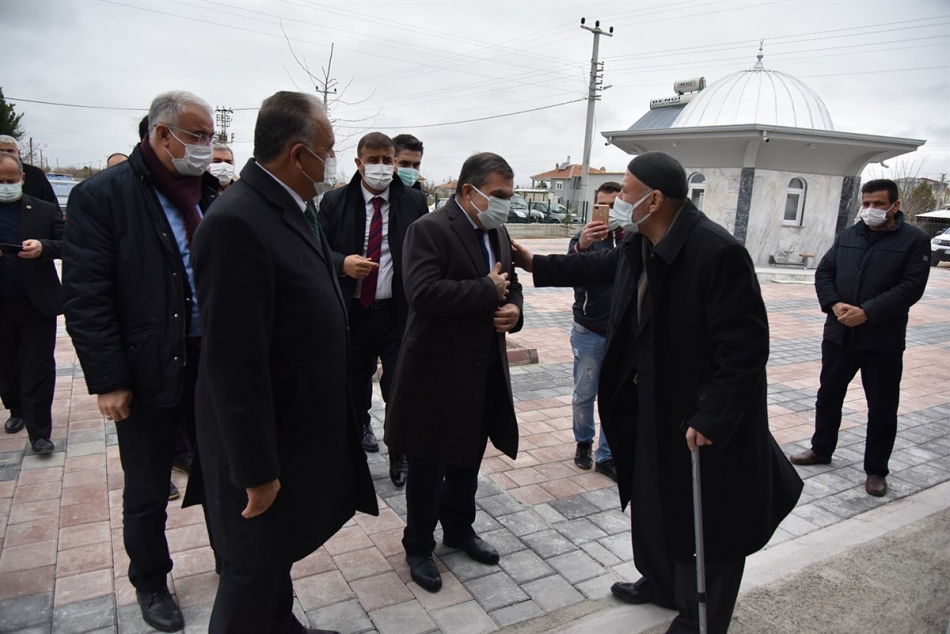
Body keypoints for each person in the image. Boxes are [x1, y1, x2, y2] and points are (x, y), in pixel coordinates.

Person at [511, 152, 802, 634]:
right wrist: (535, 261)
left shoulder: (716, 252)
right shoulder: (642, 242)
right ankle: (661, 581)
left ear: (654, 199)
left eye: (624, 192)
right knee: (652, 499)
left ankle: (699, 618)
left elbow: (746, 349)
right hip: (650, 404)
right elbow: (603, 269)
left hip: (699, 417)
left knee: (707, 521)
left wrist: (712, 415)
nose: (617, 202)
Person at [191, 90, 377, 634]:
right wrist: (256, 470)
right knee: (250, 571)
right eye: (330, 149)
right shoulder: (237, 221)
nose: (334, 161)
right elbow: (233, 361)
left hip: (292, 428)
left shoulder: (294, 208)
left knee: (274, 557)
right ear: (299, 155)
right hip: (259, 443)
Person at [63, 90, 220, 632]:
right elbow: (86, 295)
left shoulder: (209, 192)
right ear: (161, 134)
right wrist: (108, 379)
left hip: (211, 361)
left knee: (223, 470)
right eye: (197, 136)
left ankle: (235, 560)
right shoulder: (101, 196)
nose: (206, 147)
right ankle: (151, 582)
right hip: (147, 365)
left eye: (211, 137)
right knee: (149, 486)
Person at [385, 152, 523, 593]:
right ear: (469, 191)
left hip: (482, 369)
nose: (505, 204)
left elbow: (512, 284)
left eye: (509, 196)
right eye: (499, 195)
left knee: (468, 458)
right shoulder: (427, 230)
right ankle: (418, 545)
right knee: (428, 463)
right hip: (435, 371)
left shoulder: (497, 230)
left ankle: (460, 530)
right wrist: (486, 291)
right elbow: (422, 293)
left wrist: (514, 311)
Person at [790, 179, 930, 497]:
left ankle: (876, 470)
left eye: (878, 204)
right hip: (839, 334)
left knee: (881, 407)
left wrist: (867, 312)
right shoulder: (849, 235)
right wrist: (835, 304)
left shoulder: (915, 241)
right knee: (828, 396)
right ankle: (821, 448)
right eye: (866, 203)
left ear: (895, 206)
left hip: (882, 340)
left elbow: (911, 287)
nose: (870, 209)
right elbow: (824, 271)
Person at [319, 132, 428, 488]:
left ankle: (399, 452)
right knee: (352, 384)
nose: (381, 167)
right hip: (352, 312)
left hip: (396, 314)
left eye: (387, 160)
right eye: (374, 159)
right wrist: (342, 263)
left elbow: (423, 253)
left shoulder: (413, 202)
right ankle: (354, 444)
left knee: (400, 386)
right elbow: (315, 251)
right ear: (359, 162)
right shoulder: (335, 203)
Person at [0, 152, 63, 454]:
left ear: (22, 179)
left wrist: (43, 247)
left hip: (37, 302)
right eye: (0, 181)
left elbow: (69, 243)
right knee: (8, 363)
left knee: (38, 366)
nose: (6, 185)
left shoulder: (43, 210)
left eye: (10, 180)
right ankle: (16, 411)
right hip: (3, 303)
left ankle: (40, 432)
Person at [567, 181, 622, 481]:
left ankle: (608, 455)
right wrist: (582, 246)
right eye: (604, 205)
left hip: (622, 334)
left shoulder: (633, 239)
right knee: (584, 394)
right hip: (589, 331)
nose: (610, 212)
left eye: (616, 205)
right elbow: (568, 270)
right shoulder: (584, 239)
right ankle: (584, 443)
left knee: (615, 397)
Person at [0, 135, 57, 206]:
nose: (6, 154)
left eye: (10, 151)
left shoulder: (36, 175)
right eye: (1, 151)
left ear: (18, 153)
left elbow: (52, 207)